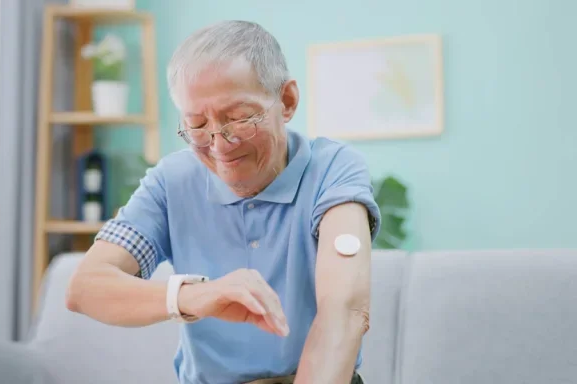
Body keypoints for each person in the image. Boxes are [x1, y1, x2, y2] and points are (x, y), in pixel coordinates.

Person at [66, 20, 380, 384]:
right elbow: (85, 288)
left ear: (287, 101)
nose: (218, 143)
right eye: (197, 124)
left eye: (238, 117)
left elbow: (344, 309)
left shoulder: (332, 169)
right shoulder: (172, 181)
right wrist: (194, 296)